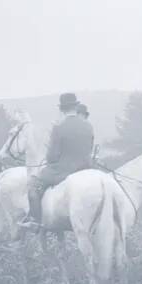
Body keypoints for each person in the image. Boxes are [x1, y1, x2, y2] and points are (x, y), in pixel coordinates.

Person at [20, 93, 96, 230]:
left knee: (32, 185)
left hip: (62, 171)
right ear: (76, 106)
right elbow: (89, 150)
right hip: (86, 169)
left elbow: (52, 157)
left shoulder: (59, 127)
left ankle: (35, 221)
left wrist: (52, 160)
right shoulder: (88, 126)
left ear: (62, 109)